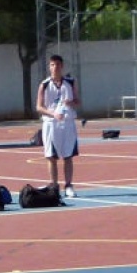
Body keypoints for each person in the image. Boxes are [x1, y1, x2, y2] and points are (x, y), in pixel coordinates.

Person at [36, 55, 79, 199]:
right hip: (51, 123)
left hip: (67, 123)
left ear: (62, 66)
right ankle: (54, 186)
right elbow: (39, 107)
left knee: (68, 155)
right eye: (52, 65)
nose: (55, 68)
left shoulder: (70, 82)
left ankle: (68, 185)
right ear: (49, 67)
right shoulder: (44, 84)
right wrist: (52, 113)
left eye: (58, 65)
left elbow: (78, 102)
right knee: (51, 156)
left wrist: (70, 102)